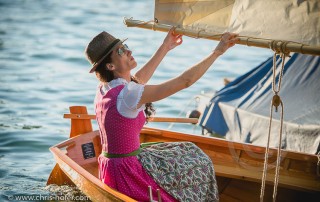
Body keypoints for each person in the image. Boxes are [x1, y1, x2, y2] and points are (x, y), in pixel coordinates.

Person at [84, 27, 238, 202]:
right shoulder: (127, 95)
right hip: (127, 173)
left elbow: (139, 79)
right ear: (110, 66)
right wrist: (217, 52)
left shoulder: (106, 88)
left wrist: (166, 46)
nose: (129, 51)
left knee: (188, 150)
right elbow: (185, 81)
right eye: (121, 51)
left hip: (112, 167)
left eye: (125, 46)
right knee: (200, 162)